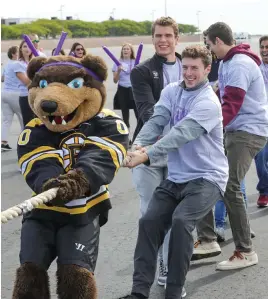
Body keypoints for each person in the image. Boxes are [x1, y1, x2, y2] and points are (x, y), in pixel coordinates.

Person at [119, 44, 229, 299]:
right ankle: (138, 292)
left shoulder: (208, 103)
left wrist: (145, 155)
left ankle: (174, 290)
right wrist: (136, 146)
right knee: (148, 222)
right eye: (186, 67)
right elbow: (156, 121)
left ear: (207, 69)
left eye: (195, 68)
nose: (189, 73)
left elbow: (180, 134)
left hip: (207, 177)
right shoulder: (171, 91)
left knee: (181, 222)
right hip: (177, 177)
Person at [194, 22, 268, 270]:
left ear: (216, 41)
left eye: (208, 44)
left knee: (229, 185)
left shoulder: (238, 64)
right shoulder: (226, 63)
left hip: (248, 131)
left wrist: (206, 127)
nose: (208, 49)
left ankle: (245, 251)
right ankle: (207, 239)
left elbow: (231, 104)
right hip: (236, 130)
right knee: (208, 175)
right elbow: (218, 95)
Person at [130, 16, 183, 287]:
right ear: (152, 39)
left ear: (177, 38)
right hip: (147, 150)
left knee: (176, 215)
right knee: (151, 214)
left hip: (180, 152)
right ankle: (153, 269)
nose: (163, 40)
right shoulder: (141, 71)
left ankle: (168, 268)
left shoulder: (191, 66)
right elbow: (146, 110)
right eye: (158, 36)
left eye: (168, 36)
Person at [1, 46, 23, 151]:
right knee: (23, 118)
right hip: (15, 93)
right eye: (18, 52)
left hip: (4, 93)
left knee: (6, 120)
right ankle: (25, 142)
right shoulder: (17, 64)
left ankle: (3, 142)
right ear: (14, 54)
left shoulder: (7, 65)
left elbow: (2, 79)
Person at [112, 43, 138, 131]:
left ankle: (139, 134)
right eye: (124, 49)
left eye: (127, 49)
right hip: (122, 89)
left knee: (137, 112)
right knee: (125, 113)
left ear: (131, 51)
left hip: (133, 89)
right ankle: (127, 134)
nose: (125, 51)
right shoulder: (117, 63)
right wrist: (118, 71)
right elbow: (115, 80)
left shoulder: (135, 61)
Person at [255, 35, 268, 207]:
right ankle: (264, 191)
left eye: (267, 47)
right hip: (260, 122)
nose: (264, 50)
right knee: (260, 158)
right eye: (262, 47)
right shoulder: (255, 67)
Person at [17, 40, 35, 126]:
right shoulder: (18, 64)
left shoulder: (33, 62)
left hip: (35, 96)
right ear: (20, 49)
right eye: (24, 46)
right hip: (25, 96)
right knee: (28, 124)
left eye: (29, 47)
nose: (27, 49)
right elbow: (26, 81)